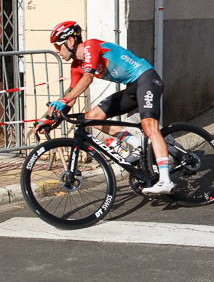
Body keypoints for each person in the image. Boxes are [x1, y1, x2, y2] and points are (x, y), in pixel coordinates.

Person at [40, 21, 175, 195]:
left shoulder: (91, 46)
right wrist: (49, 119)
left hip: (146, 79)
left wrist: (65, 99)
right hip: (132, 88)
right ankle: (136, 145)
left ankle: (165, 180)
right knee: (93, 117)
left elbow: (88, 78)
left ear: (71, 42)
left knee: (149, 126)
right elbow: (71, 97)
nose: (57, 51)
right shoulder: (75, 67)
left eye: (58, 46)